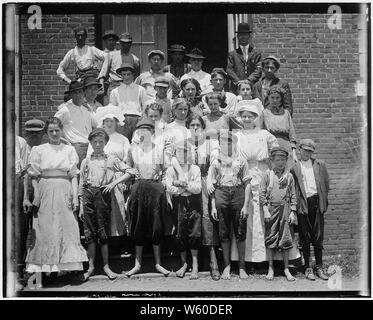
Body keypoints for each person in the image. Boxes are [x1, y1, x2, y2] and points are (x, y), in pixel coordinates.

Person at [25, 117, 88, 286]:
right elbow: (33, 175)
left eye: (57, 130)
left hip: (65, 189)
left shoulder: (68, 150)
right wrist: (36, 194)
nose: (54, 133)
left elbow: (74, 175)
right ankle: (43, 273)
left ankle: (67, 269)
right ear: (47, 132)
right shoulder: (39, 150)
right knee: (45, 228)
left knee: (67, 228)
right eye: (51, 130)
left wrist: (75, 197)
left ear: (61, 131)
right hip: (45, 190)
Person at [79, 128, 135, 281]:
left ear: (105, 143)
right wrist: (81, 204)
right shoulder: (86, 161)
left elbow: (130, 171)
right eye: (95, 142)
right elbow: (82, 183)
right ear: (90, 143)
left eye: (101, 142)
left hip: (103, 196)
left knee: (103, 233)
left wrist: (114, 183)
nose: (98, 144)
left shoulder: (111, 159)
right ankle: (90, 267)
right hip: (88, 196)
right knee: (90, 234)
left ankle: (106, 266)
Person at [230, 102, 279, 267]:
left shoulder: (264, 134)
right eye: (244, 116)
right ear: (240, 118)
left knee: (263, 214)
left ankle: (267, 258)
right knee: (247, 215)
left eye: (250, 116)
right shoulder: (236, 135)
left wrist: (269, 164)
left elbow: (276, 153)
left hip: (262, 173)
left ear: (255, 118)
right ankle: (247, 259)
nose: (247, 119)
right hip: (244, 175)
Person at [125, 119, 173, 277]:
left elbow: (166, 171)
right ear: (137, 133)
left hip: (155, 188)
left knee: (156, 225)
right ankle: (137, 264)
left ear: (152, 133)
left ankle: (158, 263)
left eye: (147, 130)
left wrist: (165, 191)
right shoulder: (133, 150)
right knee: (138, 225)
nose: (143, 133)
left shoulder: (158, 149)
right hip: (138, 188)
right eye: (140, 130)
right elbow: (128, 169)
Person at [208, 130, 251, 280]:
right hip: (222, 194)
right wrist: (213, 206)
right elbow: (212, 187)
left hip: (238, 193)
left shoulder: (241, 160)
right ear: (219, 145)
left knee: (240, 232)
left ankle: (241, 266)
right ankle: (226, 266)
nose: (226, 145)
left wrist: (246, 205)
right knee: (224, 233)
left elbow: (247, 184)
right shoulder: (216, 162)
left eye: (229, 142)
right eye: (223, 142)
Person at [186, 115, 220, 280]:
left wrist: (210, 180)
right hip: (190, 180)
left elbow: (214, 161)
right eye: (192, 125)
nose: (195, 128)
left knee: (207, 218)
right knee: (193, 219)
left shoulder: (210, 143)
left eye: (198, 125)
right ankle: (193, 264)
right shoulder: (185, 144)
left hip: (206, 178)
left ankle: (213, 261)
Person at [87, 108, 130, 238]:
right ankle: (104, 237)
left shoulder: (122, 139)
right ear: (103, 122)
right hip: (100, 176)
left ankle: (118, 237)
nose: (109, 124)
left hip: (117, 176)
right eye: (106, 121)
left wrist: (124, 179)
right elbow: (90, 157)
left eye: (112, 121)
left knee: (117, 207)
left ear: (116, 122)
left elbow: (127, 159)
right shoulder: (98, 138)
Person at [290, 139, 329, 281]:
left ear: (312, 152)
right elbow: (293, 188)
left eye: (309, 151)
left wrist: (323, 202)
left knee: (318, 237)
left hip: (317, 203)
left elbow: (326, 184)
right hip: (303, 205)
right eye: (304, 150)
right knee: (305, 237)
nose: (306, 153)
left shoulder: (320, 165)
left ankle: (319, 266)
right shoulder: (295, 167)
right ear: (299, 150)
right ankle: (308, 267)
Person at [164, 141, 202, 280]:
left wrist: (182, 185)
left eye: (186, 151)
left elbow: (197, 189)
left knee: (194, 233)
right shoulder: (170, 170)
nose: (183, 154)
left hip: (193, 202)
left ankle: (195, 266)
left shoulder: (195, 168)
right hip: (179, 203)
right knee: (180, 233)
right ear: (175, 154)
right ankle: (184, 264)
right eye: (180, 151)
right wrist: (182, 187)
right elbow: (170, 188)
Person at [259, 146, 298, 281]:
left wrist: (293, 211)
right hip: (271, 210)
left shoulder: (289, 176)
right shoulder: (267, 175)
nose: (280, 162)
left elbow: (293, 194)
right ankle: (271, 268)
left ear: (286, 160)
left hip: (285, 210)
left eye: (283, 159)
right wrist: (265, 210)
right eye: (277, 159)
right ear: (272, 160)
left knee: (286, 238)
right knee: (270, 237)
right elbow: (262, 194)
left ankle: (286, 269)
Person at [55, 80, 98, 168]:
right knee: (78, 176)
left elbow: (96, 124)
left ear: (83, 93)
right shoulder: (65, 110)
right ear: (71, 95)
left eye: (80, 92)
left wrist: (90, 109)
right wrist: (65, 142)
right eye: (75, 93)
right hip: (76, 147)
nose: (78, 95)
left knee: (90, 174)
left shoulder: (86, 109)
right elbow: (51, 126)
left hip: (90, 146)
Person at [109, 63, 150, 141]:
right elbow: (112, 109)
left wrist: (142, 120)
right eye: (124, 74)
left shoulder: (140, 89)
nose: (126, 77)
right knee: (123, 142)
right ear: (121, 75)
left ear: (133, 75)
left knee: (137, 143)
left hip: (137, 119)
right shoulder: (115, 91)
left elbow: (146, 106)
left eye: (128, 74)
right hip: (122, 120)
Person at [98, 32, 141, 103]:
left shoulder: (135, 59)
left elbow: (137, 76)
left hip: (129, 87)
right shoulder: (111, 55)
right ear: (120, 43)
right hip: (114, 85)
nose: (125, 45)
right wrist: (101, 85)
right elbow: (103, 73)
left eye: (128, 43)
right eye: (123, 43)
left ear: (131, 44)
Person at [262, 86, 297, 167]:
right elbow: (261, 134)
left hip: (286, 146)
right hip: (271, 147)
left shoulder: (286, 113)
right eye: (272, 97)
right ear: (268, 98)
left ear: (281, 99)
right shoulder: (264, 113)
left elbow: (292, 134)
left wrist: (294, 153)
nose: (275, 100)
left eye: (277, 98)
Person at [226, 22, 262, 94]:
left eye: (245, 34)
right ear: (237, 36)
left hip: (253, 88)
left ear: (249, 36)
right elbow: (229, 70)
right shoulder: (232, 54)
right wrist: (239, 82)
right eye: (241, 35)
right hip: (236, 88)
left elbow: (258, 70)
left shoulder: (256, 53)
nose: (243, 37)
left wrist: (248, 81)